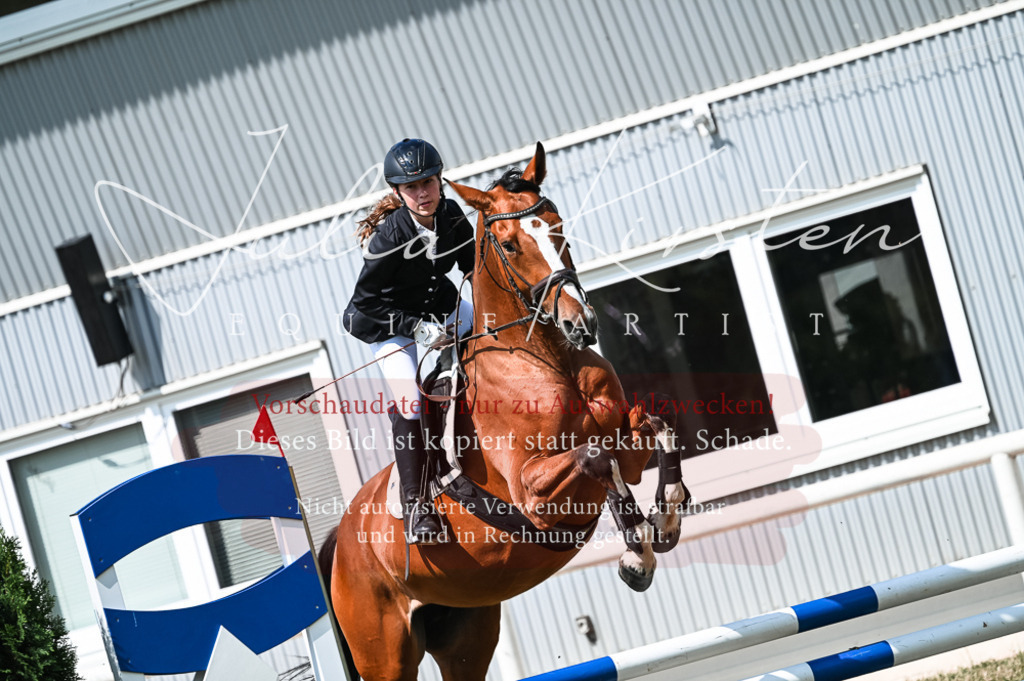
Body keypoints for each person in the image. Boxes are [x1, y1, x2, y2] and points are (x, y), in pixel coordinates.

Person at [343, 138, 474, 545]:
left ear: (440, 182)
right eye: (412, 187)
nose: (422, 194)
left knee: (489, 326)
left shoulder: (452, 215)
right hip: (388, 323)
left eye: (428, 183)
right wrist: (418, 330)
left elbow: (474, 267)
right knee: (410, 401)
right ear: (398, 193)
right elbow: (365, 302)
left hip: (439, 307)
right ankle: (417, 502)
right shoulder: (389, 236)